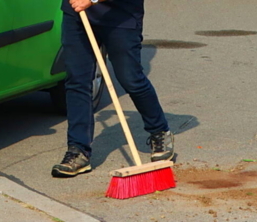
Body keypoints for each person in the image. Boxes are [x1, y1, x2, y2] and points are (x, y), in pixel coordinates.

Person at [53, 0, 174, 178]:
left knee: (130, 79)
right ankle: (78, 150)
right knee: (77, 81)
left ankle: (159, 131)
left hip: (120, 15)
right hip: (77, 14)